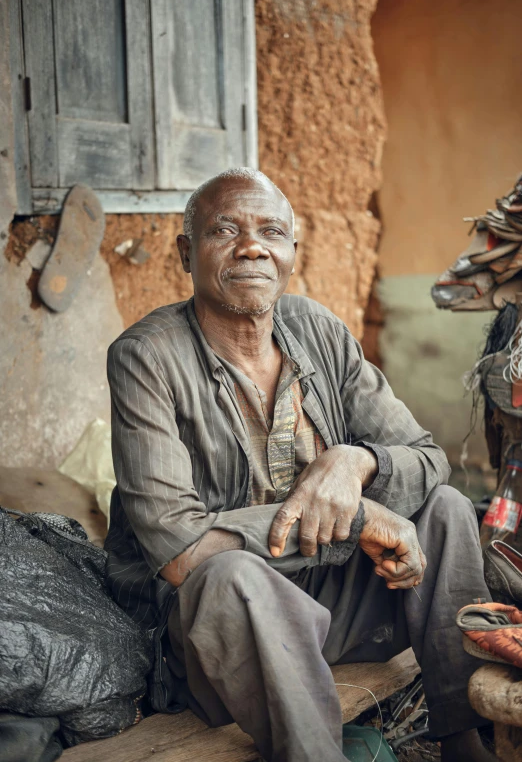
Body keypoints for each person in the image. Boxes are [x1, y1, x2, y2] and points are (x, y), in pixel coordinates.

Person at [105, 168, 494, 762]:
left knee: (445, 509)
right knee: (229, 575)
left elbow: (426, 456)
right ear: (187, 252)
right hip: (222, 640)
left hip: (331, 605)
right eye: (225, 229)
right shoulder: (146, 358)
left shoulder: (320, 331)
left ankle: (463, 739)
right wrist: (360, 517)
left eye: (271, 231)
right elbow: (180, 552)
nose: (252, 246)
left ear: (291, 251)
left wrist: (355, 461)